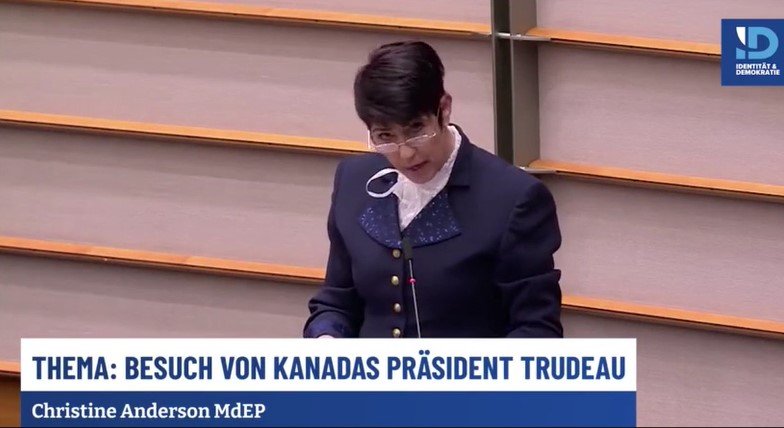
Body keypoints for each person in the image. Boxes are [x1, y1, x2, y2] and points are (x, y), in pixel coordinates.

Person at [303, 41, 562, 338]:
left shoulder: (514, 198)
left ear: (444, 109)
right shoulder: (353, 179)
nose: (405, 154)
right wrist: (327, 338)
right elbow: (337, 300)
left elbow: (536, 330)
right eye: (385, 137)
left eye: (416, 130)